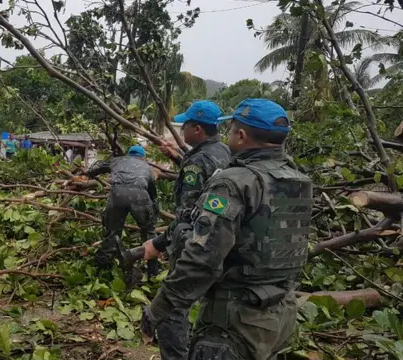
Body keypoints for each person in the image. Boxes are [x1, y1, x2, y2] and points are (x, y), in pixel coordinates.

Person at [141, 99, 314, 360]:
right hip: (281, 312)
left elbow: (202, 259)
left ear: (241, 135)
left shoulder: (234, 183)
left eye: (231, 129)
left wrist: (158, 308)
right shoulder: (297, 179)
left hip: (235, 320)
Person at [141, 100, 231, 360]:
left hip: (196, 242)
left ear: (198, 130)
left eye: (185, 126)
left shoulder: (197, 161)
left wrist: (159, 242)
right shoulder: (225, 152)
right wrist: (177, 156)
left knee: (173, 305)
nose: (182, 131)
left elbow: (187, 214)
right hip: (223, 241)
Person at [87, 145, 159, 282]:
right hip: (140, 196)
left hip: (117, 195)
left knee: (111, 232)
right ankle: (153, 274)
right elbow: (152, 194)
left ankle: (102, 271)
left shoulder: (117, 160)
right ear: (143, 157)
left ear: (128, 154)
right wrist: (154, 212)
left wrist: (90, 174)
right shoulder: (147, 168)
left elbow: (94, 169)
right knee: (149, 233)